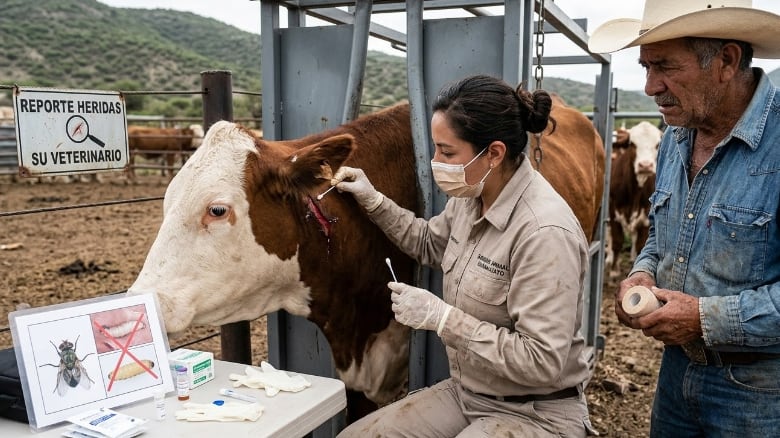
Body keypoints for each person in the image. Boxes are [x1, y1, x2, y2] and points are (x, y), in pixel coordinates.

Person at [332, 74, 595, 437]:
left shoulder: (543, 232)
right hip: (469, 394)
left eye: (447, 152)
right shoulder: (471, 199)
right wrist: (373, 200)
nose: (435, 161)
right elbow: (427, 243)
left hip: (536, 411)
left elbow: (542, 362)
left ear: (494, 153)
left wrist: (442, 319)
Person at [588, 1, 780, 436]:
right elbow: (664, 233)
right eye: (645, 67)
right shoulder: (676, 136)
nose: (651, 87)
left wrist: (704, 318)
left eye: (665, 67)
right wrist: (641, 273)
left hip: (759, 394)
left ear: (727, 61)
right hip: (676, 373)